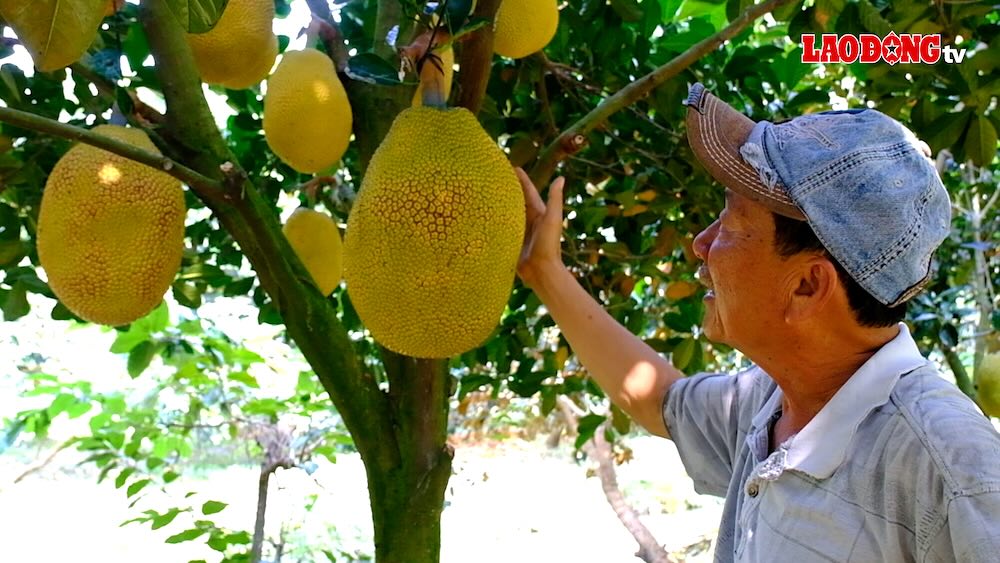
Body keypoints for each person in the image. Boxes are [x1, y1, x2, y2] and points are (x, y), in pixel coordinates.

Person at [514, 82, 1000, 562]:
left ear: (807, 286)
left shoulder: (956, 472)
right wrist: (546, 271)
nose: (700, 245)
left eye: (730, 222)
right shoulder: (774, 402)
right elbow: (660, 401)